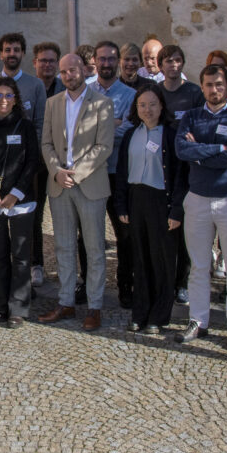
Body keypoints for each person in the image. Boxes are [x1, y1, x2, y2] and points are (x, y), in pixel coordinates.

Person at [174, 64, 227, 352]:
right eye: (208, 85)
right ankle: (198, 320)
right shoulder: (192, 116)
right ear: (202, 86)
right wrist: (220, 148)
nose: (214, 89)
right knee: (199, 265)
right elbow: (182, 150)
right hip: (197, 198)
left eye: (219, 84)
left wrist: (201, 152)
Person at [37, 54, 114, 331]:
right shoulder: (53, 103)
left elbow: (104, 146)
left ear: (83, 69)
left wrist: (76, 173)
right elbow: (46, 143)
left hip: (90, 184)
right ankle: (66, 302)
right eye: (64, 72)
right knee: (63, 246)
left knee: (94, 249)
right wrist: (57, 171)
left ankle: (94, 306)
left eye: (73, 70)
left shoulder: (102, 103)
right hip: (59, 185)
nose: (68, 75)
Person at [114, 84, 188, 334]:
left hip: (161, 202)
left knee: (162, 261)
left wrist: (176, 210)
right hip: (137, 200)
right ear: (136, 108)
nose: (147, 109)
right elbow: (122, 173)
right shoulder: (130, 135)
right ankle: (140, 312)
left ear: (162, 106)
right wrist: (121, 205)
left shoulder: (171, 135)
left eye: (152, 104)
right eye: (142, 105)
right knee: (140, 259)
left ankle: (159, 316)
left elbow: (180, 176)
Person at [0, 76, 39, 328]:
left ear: (15, 99)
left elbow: (32, 162)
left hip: (20, 200)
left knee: (21, 256)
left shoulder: (26, 126)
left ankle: (18, 308)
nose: (3, 100)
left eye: (8, 95)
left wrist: (16, 193)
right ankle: (2, 306)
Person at [88, 40, 137, 308]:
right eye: (102, 58)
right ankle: (88, 284)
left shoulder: (130, 95)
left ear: (117, 62)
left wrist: (98, 128)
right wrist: (112, 124)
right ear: (94, 61)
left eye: (111, 59)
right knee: (89, 233)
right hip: (91, 173)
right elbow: (79, 131)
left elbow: (129, 130)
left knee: (124, 234)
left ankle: (125, 286)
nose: (106, 63)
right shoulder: (84, 90)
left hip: (119, 173)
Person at [155, 44, 204, 303]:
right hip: (161, 164)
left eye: (177, 60)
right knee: (164, 227)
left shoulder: (194, 92)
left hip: (186, 166)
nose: (173, 65)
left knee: (185, 226)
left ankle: (182, 282)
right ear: (160, 65)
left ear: (183, 63)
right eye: (168, 61)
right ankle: (164, 279)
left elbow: (202, 124)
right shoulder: (156, 91)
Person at [30, 41, 64, 287]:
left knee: (64, 216)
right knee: (35, 215)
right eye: (43, 60)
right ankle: (36, 264)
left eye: (52, 61)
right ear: (35, 63)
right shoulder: (29, 88)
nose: (47, 65)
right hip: (36, 163)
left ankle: (65, 265)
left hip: (61, 161)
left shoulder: (66, 88)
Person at [0, 33, 46, 137]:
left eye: (16, 50)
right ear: (0, 54)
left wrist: (33, 146)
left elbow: (40, 124)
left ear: (23, 53)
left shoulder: (36, 85)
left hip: (26, 146)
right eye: (7, 50)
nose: (12, 54)